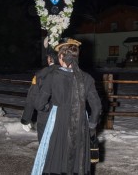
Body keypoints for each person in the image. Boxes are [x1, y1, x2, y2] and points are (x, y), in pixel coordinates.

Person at [32, 38, 102, 175]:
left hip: (58, 122)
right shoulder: (87, 78)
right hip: (80, 124)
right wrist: (91, 126)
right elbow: (97, 107)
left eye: (59, 56)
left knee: (56, 159)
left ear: (62, 57)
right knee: (77, 162)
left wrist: (47, 108)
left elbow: (39, 103)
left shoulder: (53, 76)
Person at [21, 46, 59, 142]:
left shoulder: (41, 74)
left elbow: (32, 96)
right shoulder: (69, 73)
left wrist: (26, 118)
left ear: (50, 59)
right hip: (64, 118)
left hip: (45, 116)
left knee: (44, 145)